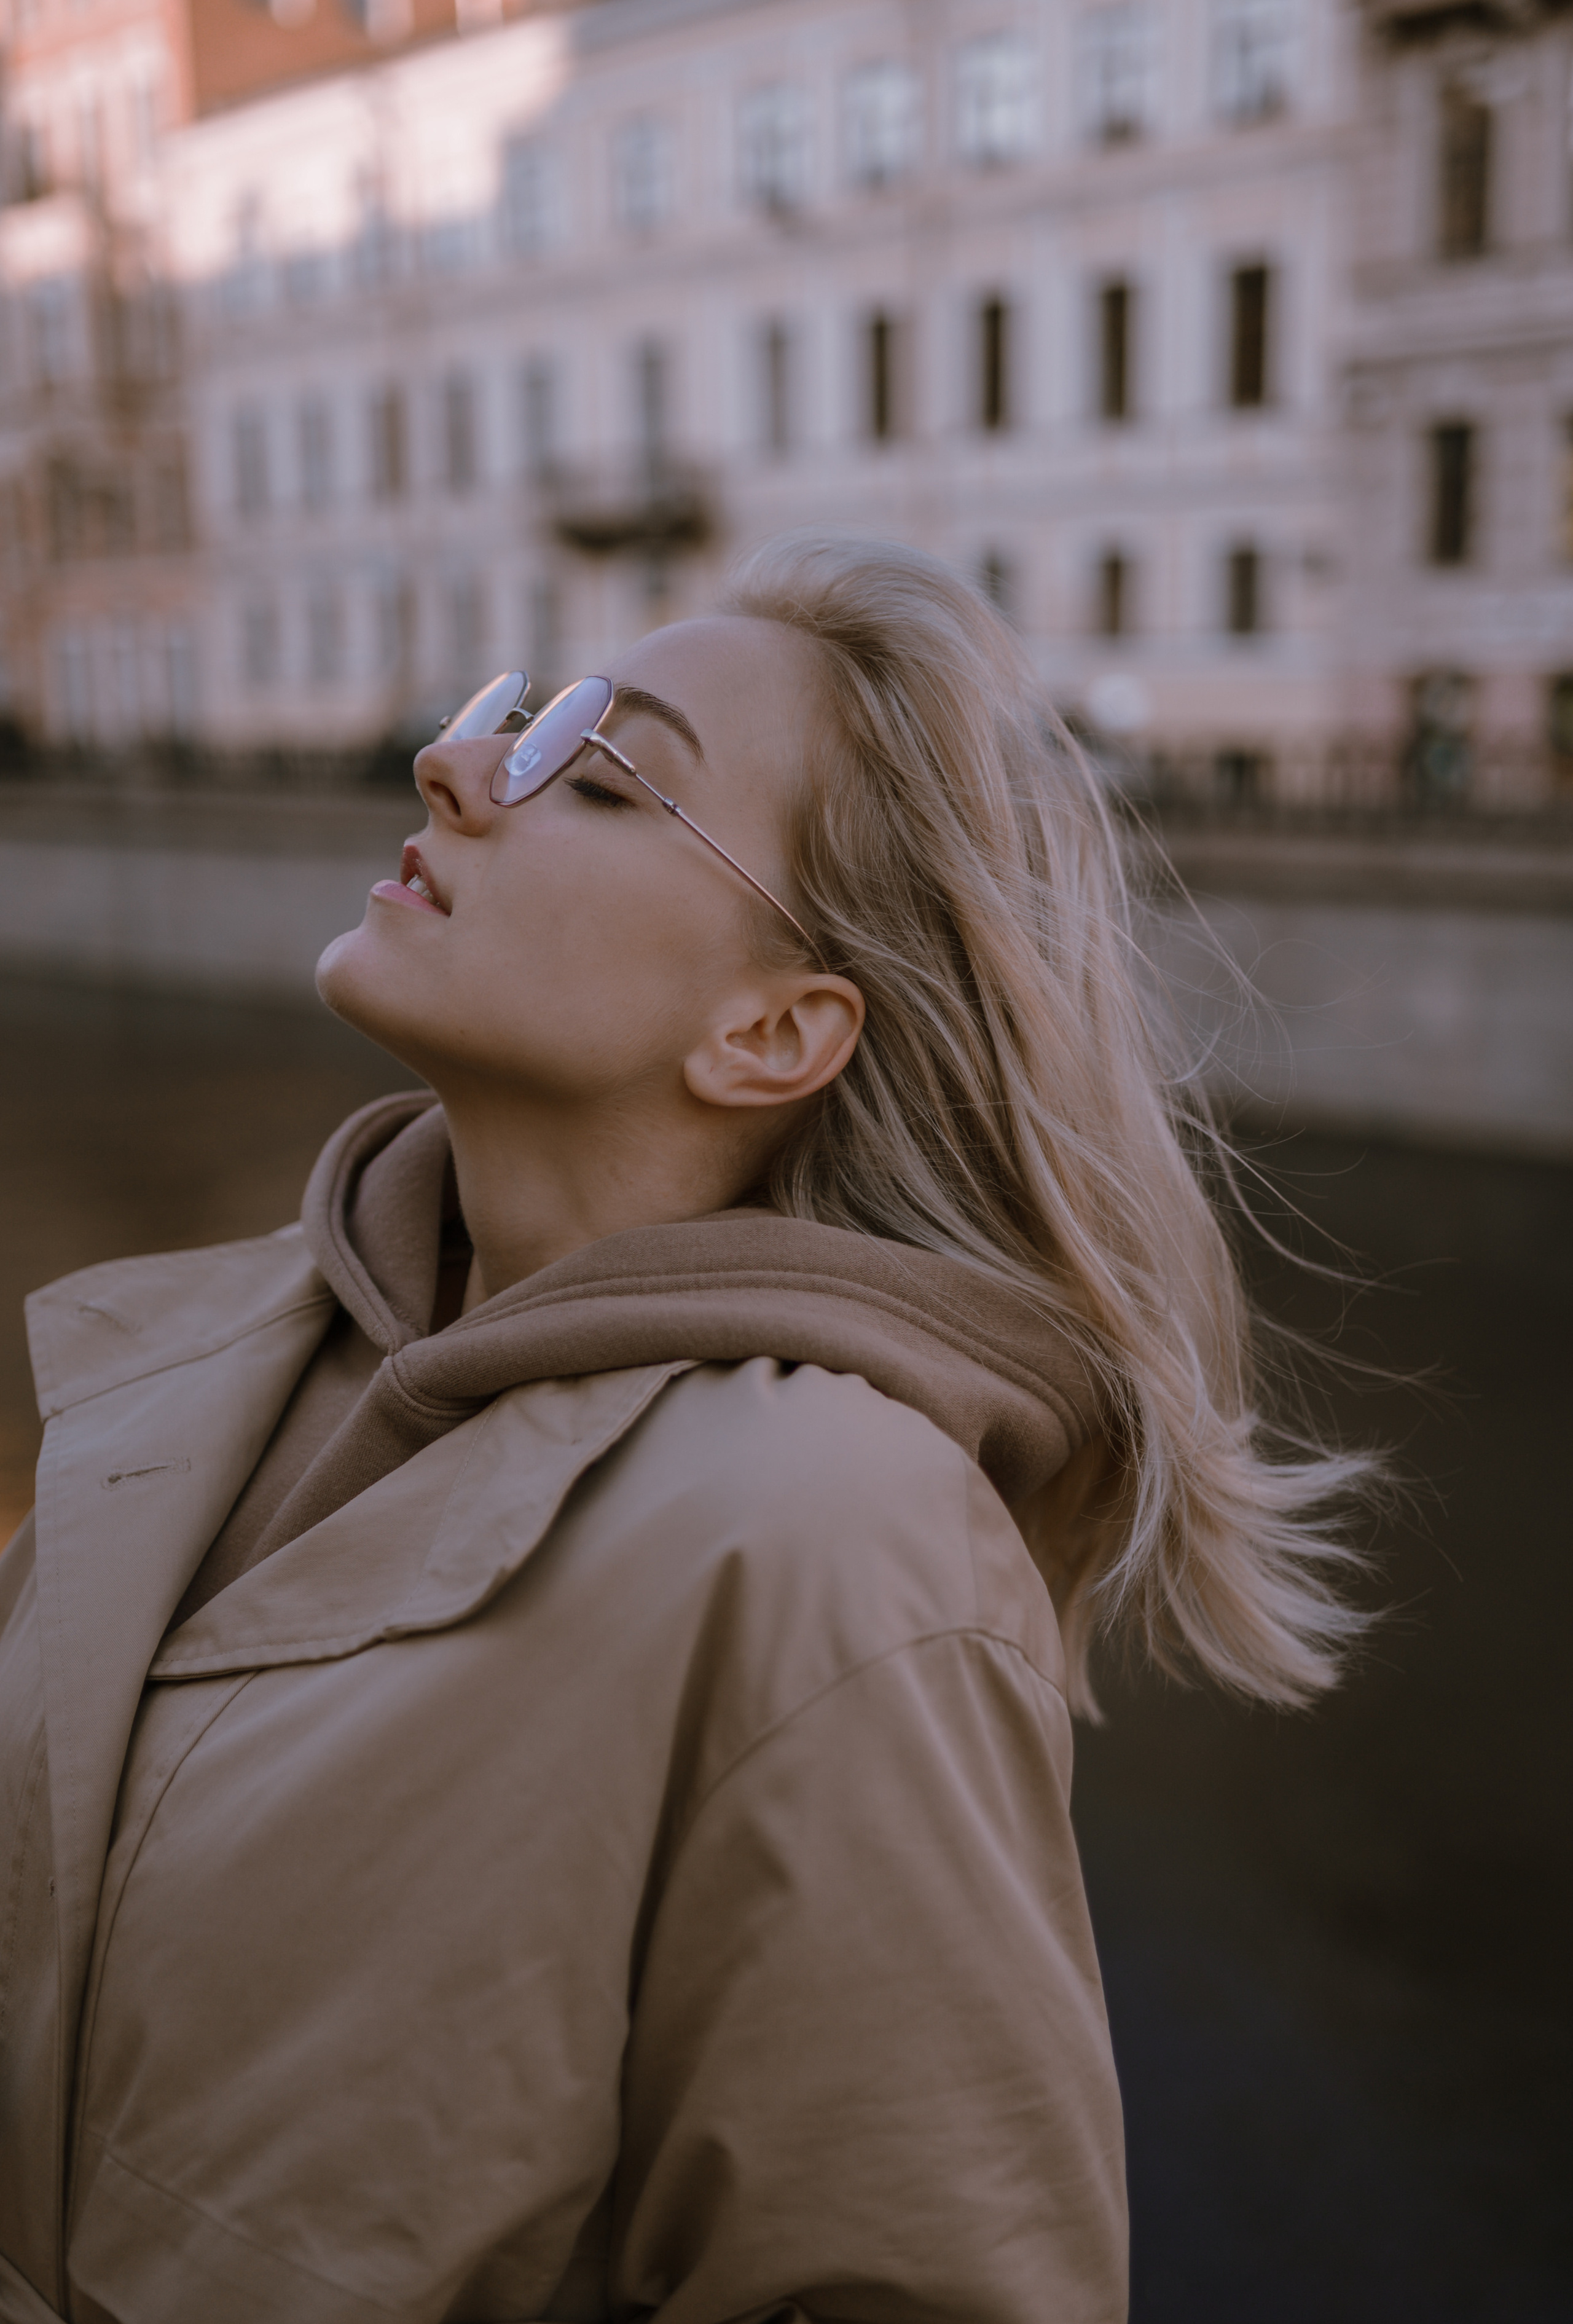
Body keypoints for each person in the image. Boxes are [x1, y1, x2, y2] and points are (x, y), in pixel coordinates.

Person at [0, 535, 1367, 2324]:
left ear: (776, 1028)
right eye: (521, 716)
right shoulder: (221, 1353)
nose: (451, 763)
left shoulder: (836, 1535)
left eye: (609, 770)